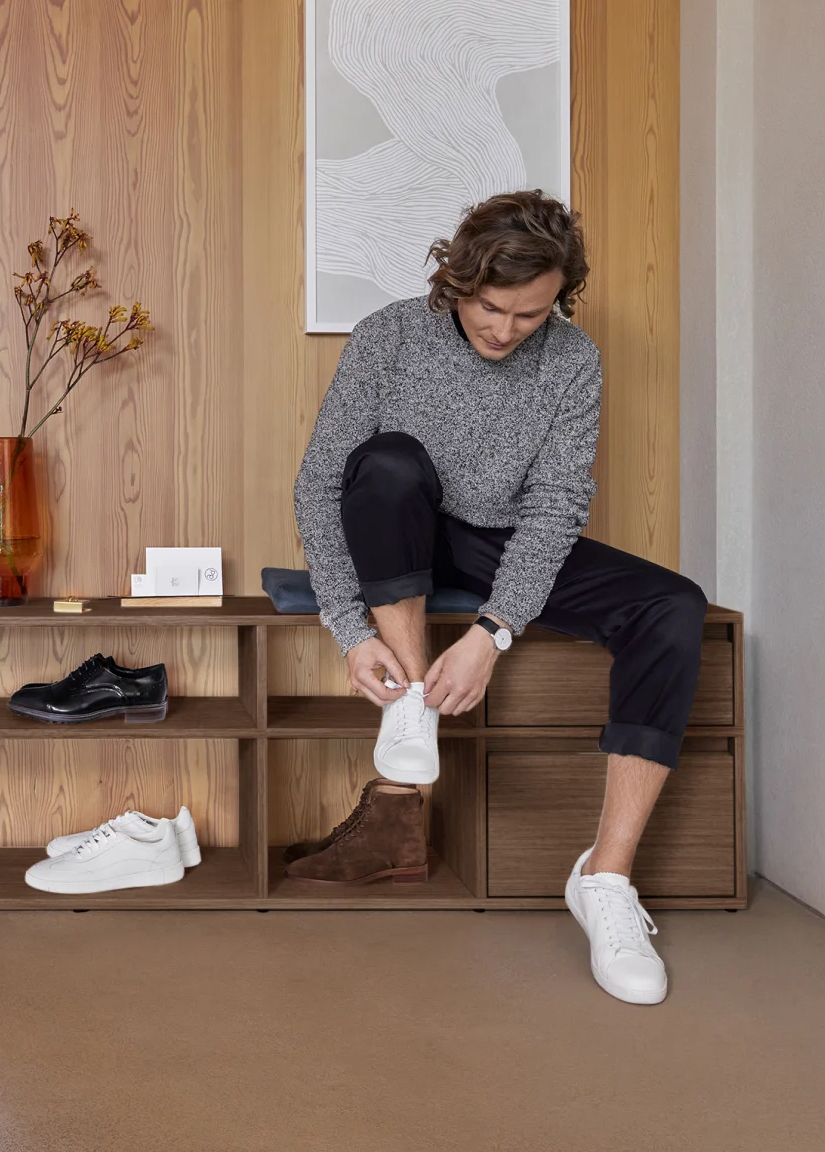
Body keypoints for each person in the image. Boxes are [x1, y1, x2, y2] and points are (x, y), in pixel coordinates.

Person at [291, 191, 708, 1005]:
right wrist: (348, 627)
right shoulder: (391, 334)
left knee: (676, 606)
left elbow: (556, 505)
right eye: (491, 307)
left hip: (499, 544)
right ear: (456, 281)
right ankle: (410, 706)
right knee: (386, 463)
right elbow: (319, 486)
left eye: (530, 315)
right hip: (395, 521)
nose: (505, 330)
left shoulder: (572, 359)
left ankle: (606, 881)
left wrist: (494, 631)